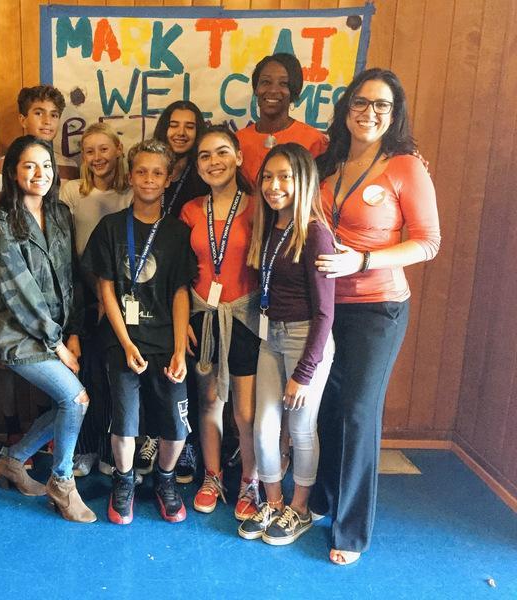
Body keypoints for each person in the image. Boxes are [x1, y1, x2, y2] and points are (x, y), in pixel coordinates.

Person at [311, 68, 441, 565]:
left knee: (358, 413)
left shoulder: (406, 166)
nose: (369, 112)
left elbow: (427, 242)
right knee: (327, 407)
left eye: (381, 105)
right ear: (347, 108)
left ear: (394, 113)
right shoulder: (330, 162)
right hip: (326, 306)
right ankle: (324, 498)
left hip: (378, 307)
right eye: (360, 102)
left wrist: (363, 260)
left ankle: (350, 532)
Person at [86, 139, 196, 524]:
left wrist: (180, 349)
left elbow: (180, 292)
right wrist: (126, 342)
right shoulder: (111, 228)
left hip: (165, 341)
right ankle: (124, 480)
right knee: (124, 421)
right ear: (130, 177)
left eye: (157, 173)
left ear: (168, 180)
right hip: (122, 341)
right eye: (142, 171)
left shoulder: (178, 232)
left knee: (175, 424)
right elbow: (106, 289)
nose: (149, 179)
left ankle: (165, 480)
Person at [0, 135, 95, 524]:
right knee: (75, 400)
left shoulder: (61, 213)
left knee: (73, 401)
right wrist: (57, 344)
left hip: (57, 332)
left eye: (46, 165)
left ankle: (13, 461)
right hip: (16, 333)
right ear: (13, 173)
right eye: (30, 165)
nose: (40, 173)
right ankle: (62, 482)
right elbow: (20, 291)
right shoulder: (1, 222)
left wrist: (74, 332)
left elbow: (72, 277)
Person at [237, 143, 335, 545]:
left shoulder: (315, 233)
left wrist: (305, 372)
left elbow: (326, 314)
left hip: (305, 341)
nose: (273, 185)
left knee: (301, 427)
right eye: (267, 177)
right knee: (263, 426)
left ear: (304, 181)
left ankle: (300, 509)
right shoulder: (269, 226)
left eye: (284, 177)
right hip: (270, 337)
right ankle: (274, 504)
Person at [180, 125, 261, 520]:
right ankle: (212, 476)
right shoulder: (191, 210)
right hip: (203, 316)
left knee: (245, 411)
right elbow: (182, 271)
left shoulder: (259, 206)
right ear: (198, 166)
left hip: (245, 317)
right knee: (210, 402)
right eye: (205, 156)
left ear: (239, 157)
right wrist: (184, 321)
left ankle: (250, 480)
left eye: (222, 152)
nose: (214, 162)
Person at [60, 122, 133, 477]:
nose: (97, 157)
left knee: (113, 375)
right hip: (81, 293)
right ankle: (85, 448)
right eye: (89, 151)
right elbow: (66, 248)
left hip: (120, 294)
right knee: (84, 374)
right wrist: (93, 291)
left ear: (118, 150)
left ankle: (108, 449)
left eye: (104, 149)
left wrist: (111, 293)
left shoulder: (130, 193)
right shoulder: (72, 191)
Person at [145, 100, 209, 482]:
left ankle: (186, 442)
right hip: (150, 281)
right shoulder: (152, 170)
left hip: (190, 282)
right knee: (152, 365)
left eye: (189, 125)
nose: (181, 132)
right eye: (173, 124)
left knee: (187, 366)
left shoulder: (204, 177)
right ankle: (154, 436)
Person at [237, 53, 328, 187]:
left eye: (283, 84)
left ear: (294, 91)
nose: (273, 90)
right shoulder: (238, 141)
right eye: (266, 82)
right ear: (256, 89)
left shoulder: (314, 141)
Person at [0, 84, 78, 206]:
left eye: (54, 115)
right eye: (39, 113)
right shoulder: (6, 163)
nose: (47, 121)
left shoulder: (70, 166)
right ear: (23, 120)